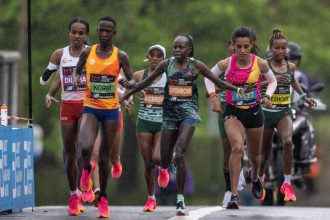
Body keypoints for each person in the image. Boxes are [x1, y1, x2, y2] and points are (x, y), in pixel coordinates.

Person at [120, 34, 243, 216]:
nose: (177, 50)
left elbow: (217, 81)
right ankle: (170, 166)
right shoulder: (166, 65)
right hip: (169, 115)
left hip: (189, 114)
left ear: (189, 49)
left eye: (181, 47)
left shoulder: (196, 66)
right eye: (175, 47)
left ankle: (180, 201)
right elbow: (145, 82)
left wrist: (237, 89)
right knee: (165, 158)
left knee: (180, 153)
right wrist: (124, 94)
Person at [207, 27, 278, 209]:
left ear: (252, 45)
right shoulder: (226, 63)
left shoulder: (260, 63)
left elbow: (273, 81)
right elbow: (208, 77)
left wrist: (267, 96)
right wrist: (214, 97)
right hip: (233, 111)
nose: (243, 51)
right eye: (239, 46)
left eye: (246, 46)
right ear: (234, 46)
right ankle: (233, 195)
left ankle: (254, 179)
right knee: (237, 148)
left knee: (255, 157)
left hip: (254, 112)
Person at [74, 16, 135, 218]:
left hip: (110, 110)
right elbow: (77, 70)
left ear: (114, 33)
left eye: (108, 31)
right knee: (84, 146)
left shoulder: (120, 56)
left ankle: (104, 200)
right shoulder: (87, 51)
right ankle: (85, 170)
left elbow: (130, 78)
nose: (104, 34)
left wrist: (129, 87)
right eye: (101, 30)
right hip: (91, 106)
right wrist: (77, 80)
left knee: (103, 158)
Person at [257, 29, 316, 203]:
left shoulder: (290, 66)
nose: (280, 52)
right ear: (271, 48)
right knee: (265, 152)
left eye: (283, 49)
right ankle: (260, 179)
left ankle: (287, 183)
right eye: (277, 48)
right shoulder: (264, 66)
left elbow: (294, 83)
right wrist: (267, 90)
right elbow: (256, 84)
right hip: (267, 112)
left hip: (284, 111)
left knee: (288, 142)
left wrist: (305, 97)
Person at [41, 17, 89, 216]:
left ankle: (87, 177)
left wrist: (124, 89)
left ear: (86, 35)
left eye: (81, 33)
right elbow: (47, 80)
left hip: (88, 106)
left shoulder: (93, 53)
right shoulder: (60, 54)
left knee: (85, 148)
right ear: (69, 33)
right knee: (70, 153)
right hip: (68, 107)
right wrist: (48, 77)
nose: (77, 36)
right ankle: (73, 194)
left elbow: (111, 76)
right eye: (74, 32)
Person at [204, 39, 246, 208]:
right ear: (231, 47)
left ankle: (247, 169)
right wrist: (221, 90)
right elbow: (209, 91)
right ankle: (229, 191)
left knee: (244, 146)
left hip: (247, 110)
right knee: (228, 150)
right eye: (233, 45)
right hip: (227, 110)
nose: (235, 49)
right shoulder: (223, 66)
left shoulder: (252, 65)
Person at [133, 44, 168, 212]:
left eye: (159, 56)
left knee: (157, 157)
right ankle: (151, 198)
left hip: (162, 122)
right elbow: (125, 84)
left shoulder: (169, 75)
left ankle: (163, 168)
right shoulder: (141, 75)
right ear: (148, 56)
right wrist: (130, 96)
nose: (155, 58)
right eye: (152, 55)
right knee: (147, 163)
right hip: (144, 122)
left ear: (163, 59)